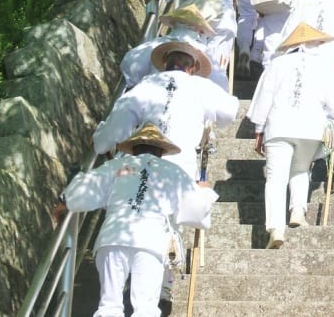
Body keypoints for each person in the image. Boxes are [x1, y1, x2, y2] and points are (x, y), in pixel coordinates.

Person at [58, 124, 217, 317]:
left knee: (109, 305)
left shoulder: (118, 167)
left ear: (133, 148)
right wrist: (205, 191)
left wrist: (65, 201)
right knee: (146, 308)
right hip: (150, 240)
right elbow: (197, 209)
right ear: (161, 150)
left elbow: (86, 187)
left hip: (112, 236)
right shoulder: (172, 171)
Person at [247, 23, 334, 248]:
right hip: (310, 127)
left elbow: (264, 98)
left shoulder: (277, 64)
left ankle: (276, 227)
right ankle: (297, 211)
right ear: (317, 44)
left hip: (278, 126)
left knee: (275, 178)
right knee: (301, 168)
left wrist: (259, 129)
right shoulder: (325, 67)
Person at [94, 40, 239, 179]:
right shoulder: (203, 86)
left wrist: (101, 142)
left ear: (164, 63)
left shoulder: (147, 84)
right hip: (182, 169)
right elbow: (229, 112)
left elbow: (119, 119)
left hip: (142, 163)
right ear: (193, 68)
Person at [120, 0, 228, 91]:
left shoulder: (153, 44)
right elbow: (221, 87)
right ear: (200, 30)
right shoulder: (205, 53)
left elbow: (129, 65)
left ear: (172, 23)